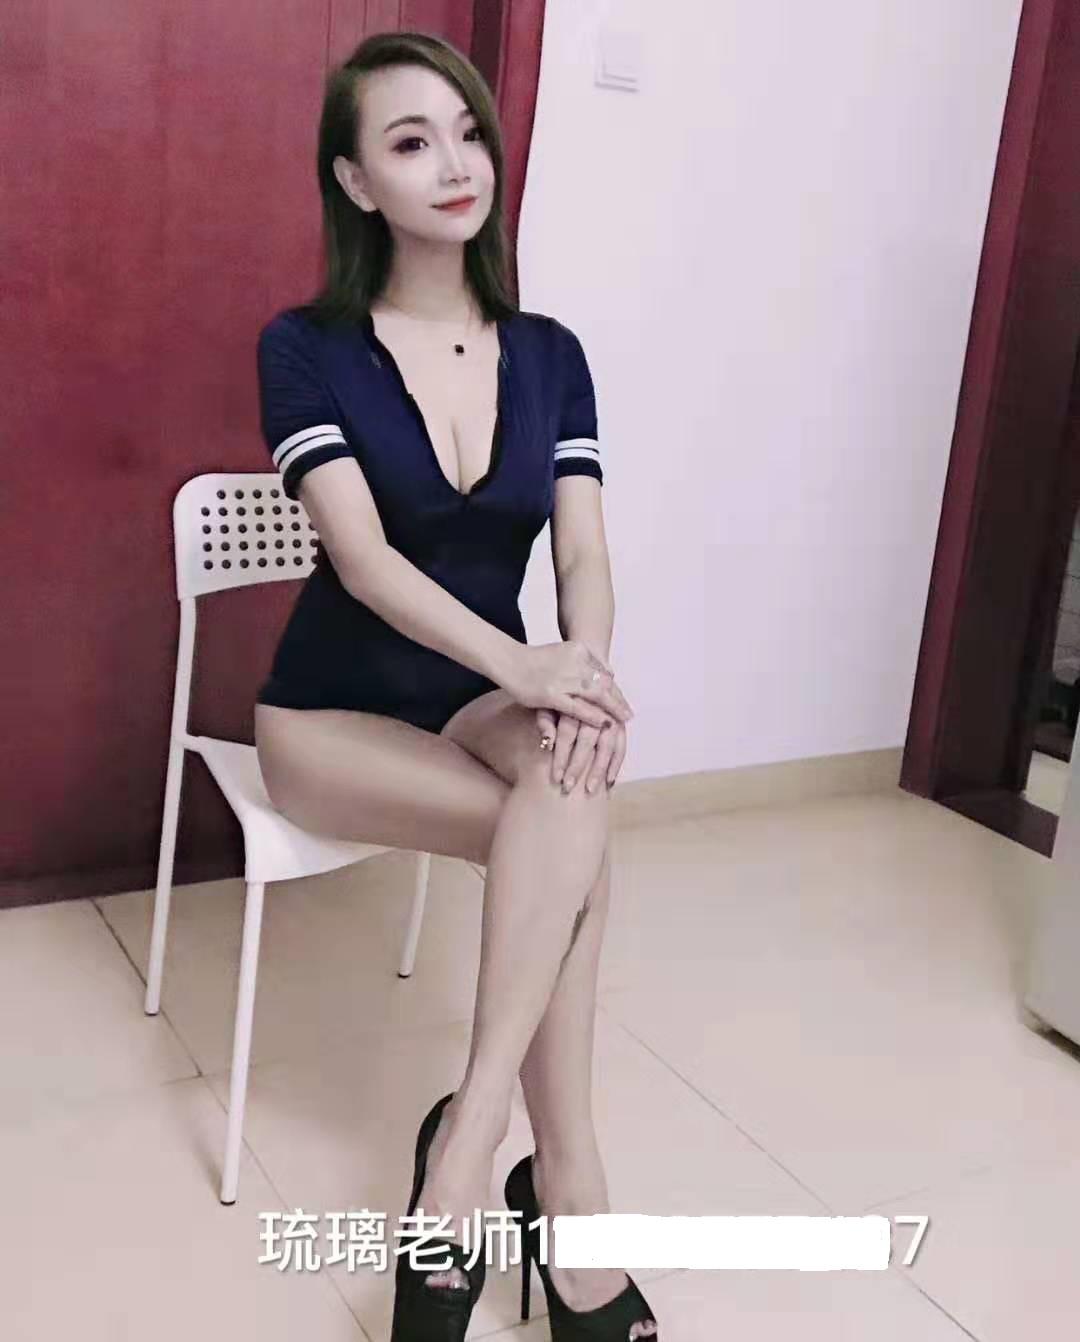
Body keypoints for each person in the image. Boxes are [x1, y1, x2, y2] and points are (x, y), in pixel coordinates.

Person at [252, 30, 658, 1342]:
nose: (454, 162)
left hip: (478, 699)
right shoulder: (306, 346)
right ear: (355, 181)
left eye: (468, 131)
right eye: (410, 141)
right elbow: (363, 562)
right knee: (569, 845)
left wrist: (582, 673)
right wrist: (523, 664)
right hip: (329, 714)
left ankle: (468, 1144)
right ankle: (563, 1191)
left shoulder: (551, 352)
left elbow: (584, 552)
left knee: (567, 788)